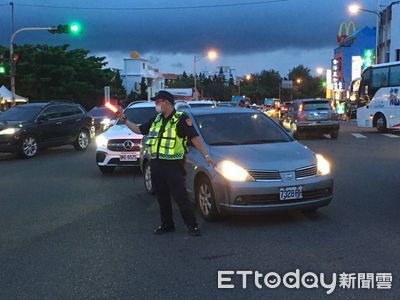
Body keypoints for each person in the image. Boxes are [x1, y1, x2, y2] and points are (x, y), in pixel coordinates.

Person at [117, 91, 214, 237]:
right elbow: (139, 129)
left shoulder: (181, 118)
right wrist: (124, 120)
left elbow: (194, 138)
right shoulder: (157, 119)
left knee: (180, 196)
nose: (156, 104)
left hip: (173, 164)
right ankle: (167, 224)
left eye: (158, 102)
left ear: (167, 102)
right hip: (157, 163)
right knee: (162, 196)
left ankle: (192, 226)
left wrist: (206, 156)